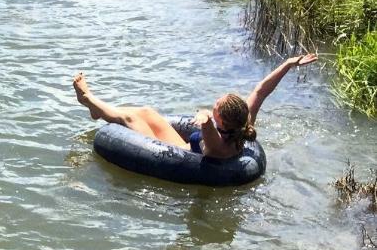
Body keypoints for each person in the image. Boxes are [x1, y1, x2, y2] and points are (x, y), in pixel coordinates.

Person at [72, 54, 319, 158]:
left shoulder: (216, 142)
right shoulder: (243, 124)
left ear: (220, 119)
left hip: (176, 153)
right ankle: (96, 108)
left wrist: (203, 118)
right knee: (147, 111)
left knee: (131, 121)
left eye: (215, 107)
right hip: (184, 145)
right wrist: (288, 63)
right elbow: (261, 90)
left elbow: (206, 125)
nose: (212, 107)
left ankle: (89, 100)